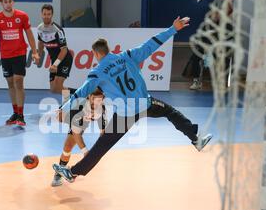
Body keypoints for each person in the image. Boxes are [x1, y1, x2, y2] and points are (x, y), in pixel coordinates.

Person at [53, 17, 213, 182]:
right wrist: (173, 29)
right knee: (171, 112)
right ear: (108, 50)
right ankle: (196, 139)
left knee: (102, 147)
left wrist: (64, 108)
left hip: (124, 114)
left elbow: (80, 92)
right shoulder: (127, 56)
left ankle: (72, 173)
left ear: (95, 53)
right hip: (145, 104)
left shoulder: (97, 71)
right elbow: (151, 44)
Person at [0, 0, 39, 126]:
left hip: (19, 53)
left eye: (10, 1)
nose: (8, 4)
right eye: (5, 2)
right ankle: (15, 112)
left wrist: (34, 52)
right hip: (5, 55)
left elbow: (29, 34)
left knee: (18, 81)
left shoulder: (22, 16)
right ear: (1, 4)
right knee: (10, 83)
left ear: (13, 2)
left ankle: (21, 115)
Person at [52, 88, 107, 187]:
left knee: (68, 147)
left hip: (82, 117)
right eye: (94, 99)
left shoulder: (101, 108)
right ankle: (59, 173)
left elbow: (103, 132)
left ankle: (60, 171)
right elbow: (75, 133)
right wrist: (85, 151)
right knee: (68, 143)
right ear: (89, 97)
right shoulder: (78, 105)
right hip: (67, 114)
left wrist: (98, 150)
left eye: (99, 100)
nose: (96, 103)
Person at [37, 4, 76, 99]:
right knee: (54, 89)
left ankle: (78, 98)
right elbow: (41, 42)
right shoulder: (40, 28)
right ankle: (79, 94)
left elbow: (64, 50)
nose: (46, 16)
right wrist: (38, 55)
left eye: (48, 14)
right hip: (54, 61)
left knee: (58, 86)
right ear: (41, 14)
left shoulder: (58, 30)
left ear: (52, 15)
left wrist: (55, 64)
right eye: (44, 14)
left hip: (64, 59)